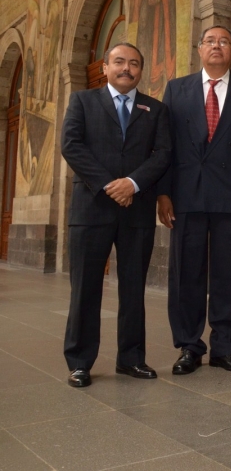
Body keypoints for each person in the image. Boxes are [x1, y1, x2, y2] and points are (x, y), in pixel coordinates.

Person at [60, 42, 171, 388]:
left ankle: (132, 358)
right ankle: (79, 362)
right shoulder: (83, 101)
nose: (127, 68)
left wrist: (133, 184)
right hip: (92, 207)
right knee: (85, 288)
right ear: (105, 67)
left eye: (134, 63)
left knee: (134, 288)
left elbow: (163, 153)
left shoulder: (155, 109)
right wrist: (111, 184)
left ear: (141, 70)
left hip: (136, 210)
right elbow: (71, 145)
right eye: (119, 62)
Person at [157, 26, 231, 375]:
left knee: (230, 274)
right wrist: (164, 193)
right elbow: (164, 146)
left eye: (224, 41)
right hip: (186, 196)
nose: (217, 46)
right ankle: (189, 345)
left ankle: (226, 347)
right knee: (187, 274)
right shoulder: (177, 89)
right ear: (199, 49)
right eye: (210, 41)